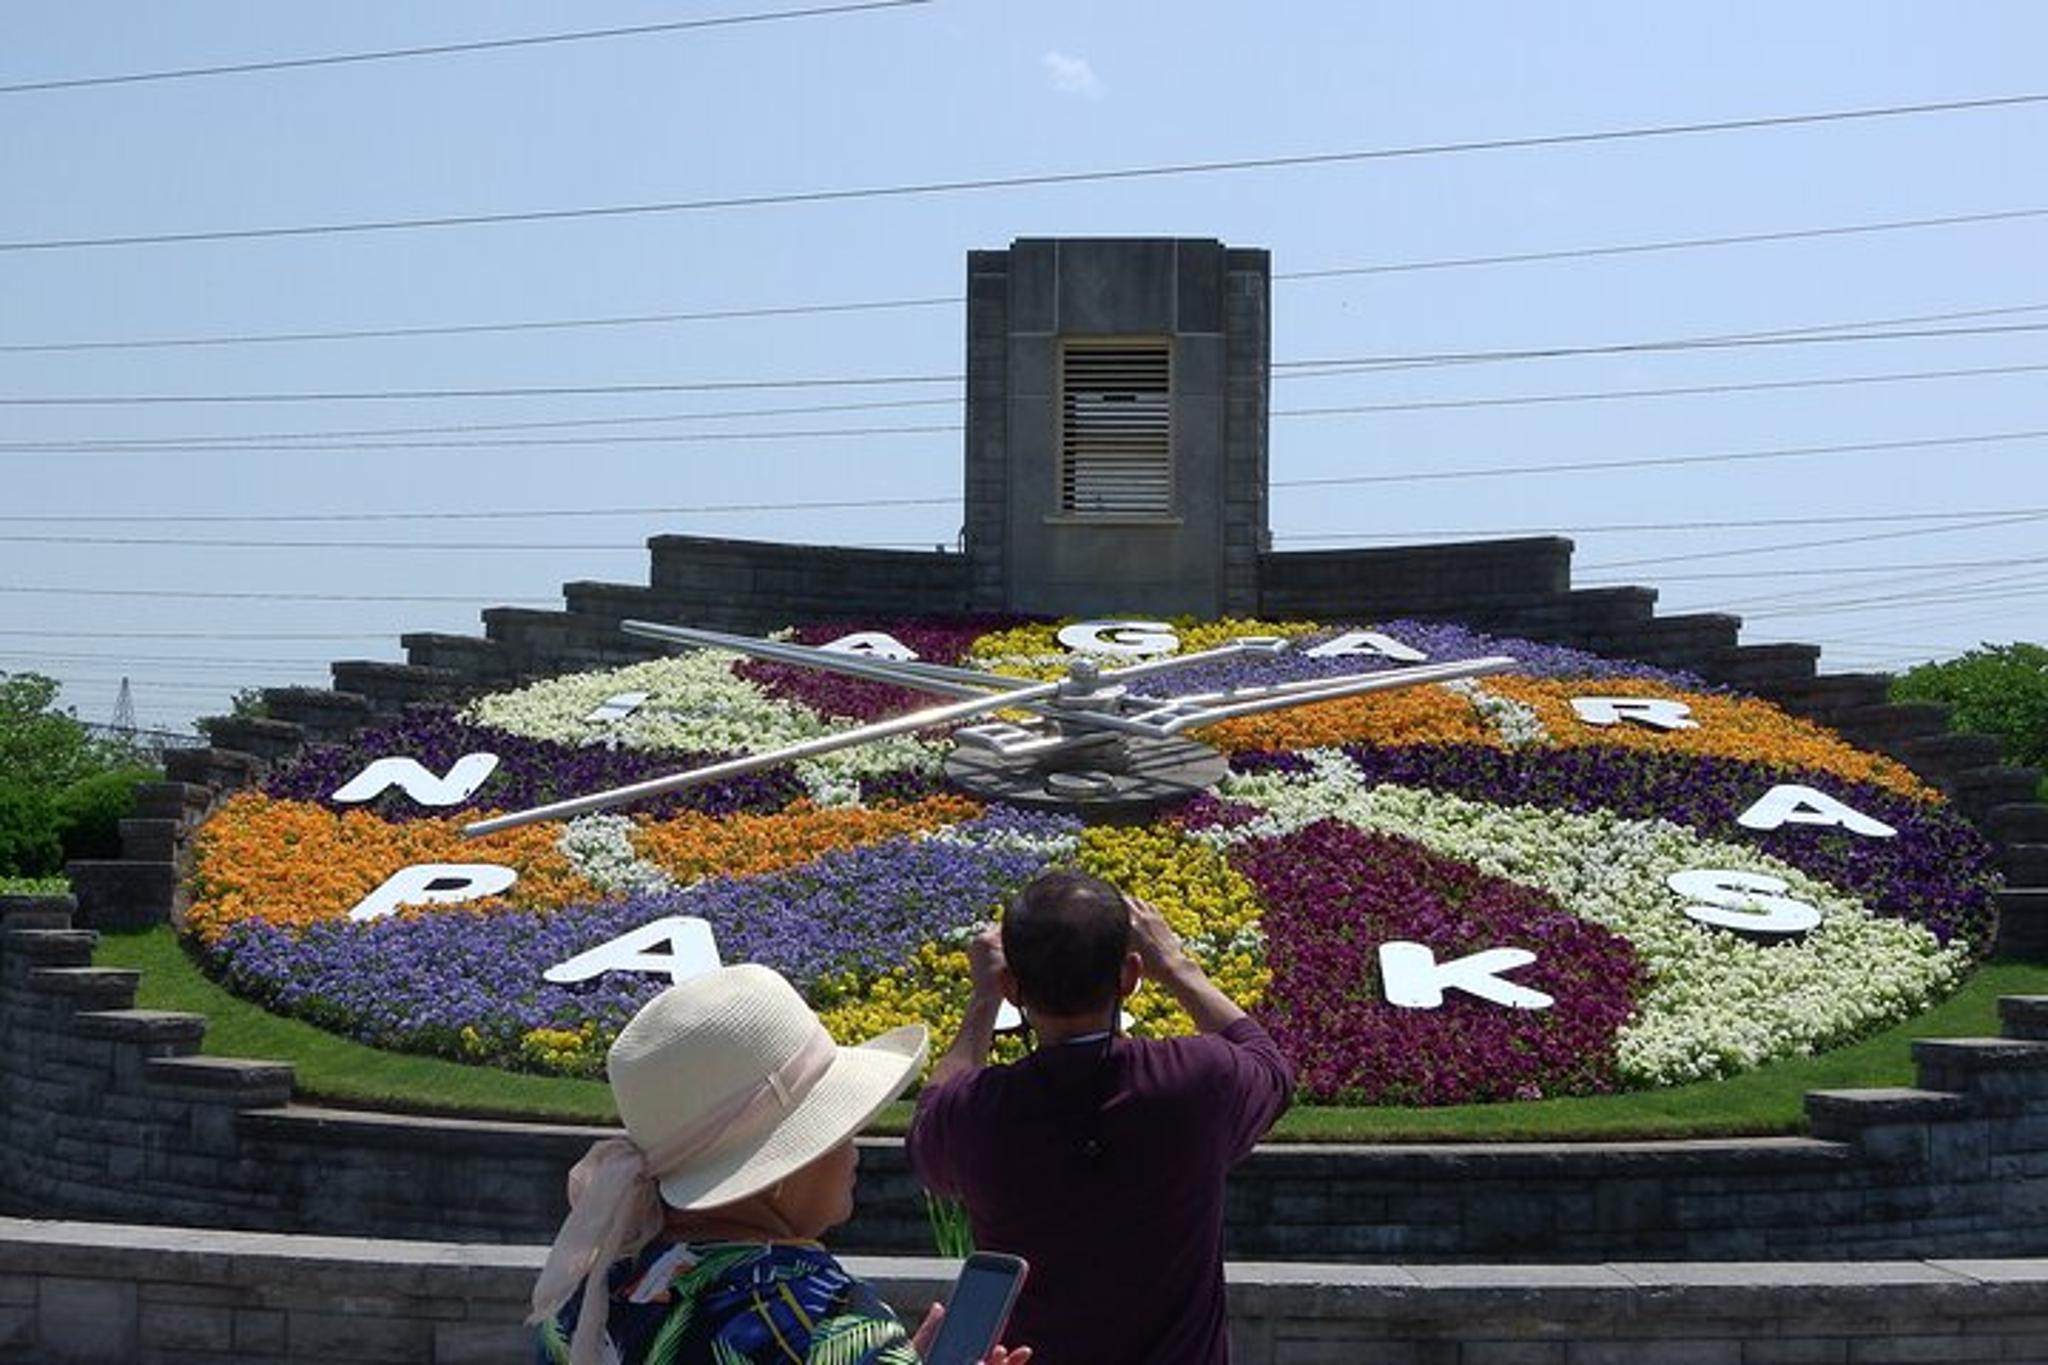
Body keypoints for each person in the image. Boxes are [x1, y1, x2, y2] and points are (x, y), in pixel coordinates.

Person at [531, 962, 1033, 1365]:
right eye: (834, 1128)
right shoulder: (827, 1320)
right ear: (777, 1171)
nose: (851, 1146)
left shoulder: (586, 1304)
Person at [908, 870, 1296, 1365]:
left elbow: (928, 1123)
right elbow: (1270, 1067)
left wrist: (982, 999)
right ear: (1131, 977)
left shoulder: (976, 1111)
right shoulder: (1199, 1079)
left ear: (1013, 988)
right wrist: (1176, 965)